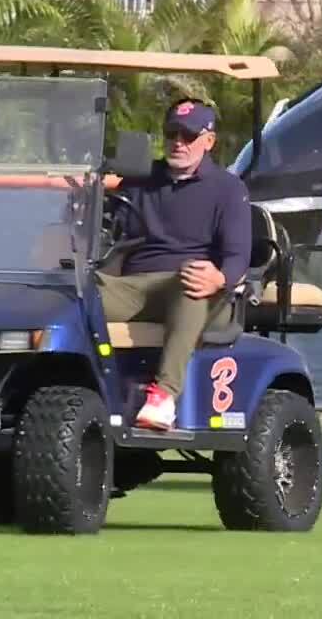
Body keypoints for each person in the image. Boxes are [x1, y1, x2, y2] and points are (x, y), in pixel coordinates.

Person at [101, 99, 252, 431]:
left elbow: (239, 255)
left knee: (193, 276)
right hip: (136, 286)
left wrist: (221, 278)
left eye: (188, 135)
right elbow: (104, 220)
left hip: (199, 291)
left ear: (208, 141)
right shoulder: (141, 180)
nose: (178, 143)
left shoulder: (228, 189)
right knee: (77, 289)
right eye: (171, 134)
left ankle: (164, 395)